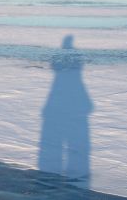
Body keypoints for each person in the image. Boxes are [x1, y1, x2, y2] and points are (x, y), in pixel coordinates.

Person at [38, 35, 93, 184]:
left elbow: (55, 66)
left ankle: (63, 174)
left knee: (63, 139)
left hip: (60, 104)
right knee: (71, 139)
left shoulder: (63, 66)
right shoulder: (73, 63)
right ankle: (73, 174)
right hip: (66, 105)